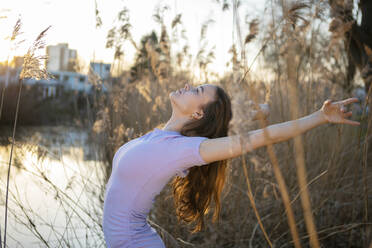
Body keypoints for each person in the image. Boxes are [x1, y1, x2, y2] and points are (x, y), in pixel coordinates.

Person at [102, 83, 359, 248]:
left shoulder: (183, 150)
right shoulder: (161, 137)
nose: (189, 85)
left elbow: (263, 137)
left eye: (198, 91)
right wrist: (253, 111)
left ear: (198, 114)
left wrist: (320, 116)